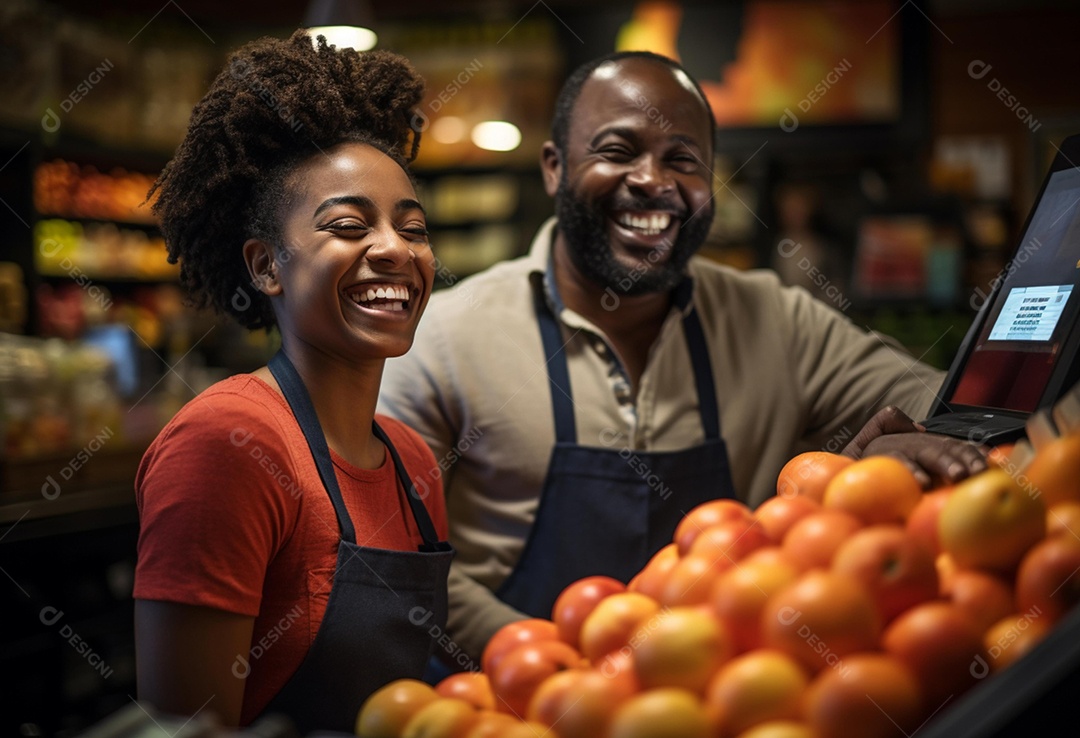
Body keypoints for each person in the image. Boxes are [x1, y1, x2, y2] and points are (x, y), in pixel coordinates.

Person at [378, 50, 986, 665]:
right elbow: (398, 558)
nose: (654, 181)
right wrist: (560, 670)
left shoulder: (780, 323)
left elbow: (967, 411)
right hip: (512, 703)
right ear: (556, 167)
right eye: (617, 151)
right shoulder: (443, 338)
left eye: (684, 160)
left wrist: (873, 471)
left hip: (728, 697)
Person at [133, 31, 452, 733]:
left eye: (413, 228)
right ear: (267, 266)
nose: (395, 250)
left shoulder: (415, 463)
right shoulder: (226, 445)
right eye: (348, 225)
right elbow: (186, 727)